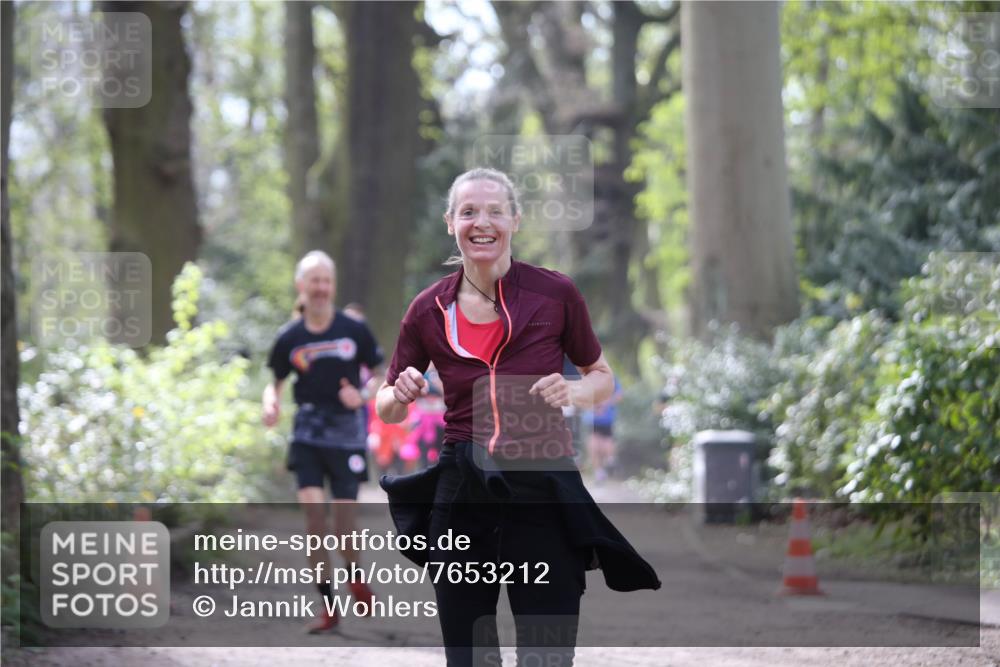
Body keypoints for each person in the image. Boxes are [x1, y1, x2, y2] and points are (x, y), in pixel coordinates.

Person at [375, 168, 660, 665]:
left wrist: (573, 389)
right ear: (450, 223)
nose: (481, 222)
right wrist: (400, 394)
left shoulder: (555, 294)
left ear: (515, 220)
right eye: (468, 212)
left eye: (494, 211)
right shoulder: (428, 309)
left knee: (547, 657)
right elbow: (387, 405)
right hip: (463, 491)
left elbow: (602, 377)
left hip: (542, 487)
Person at [262, 251, 384, 633]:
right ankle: (329, 607)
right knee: (315, 522)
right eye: (313, 280)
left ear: (332, 285)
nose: (320, 288)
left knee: (343, 527)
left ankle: (354, 576)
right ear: (302, 285)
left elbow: (382, 374)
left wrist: (363, 396)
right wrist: (271, 402)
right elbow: (275, 381)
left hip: (346, 435)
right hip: (308, 434)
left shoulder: (353, 329)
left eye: (325, 280)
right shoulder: (290, 337)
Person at [586, 378, 622, 482]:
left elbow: (619, 395)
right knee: (593, 445)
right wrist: (593, 406)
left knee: (606, 443)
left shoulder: (611, 378)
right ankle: (600, 471)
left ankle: (609, 461)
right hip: (593, 419)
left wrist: (606, 404)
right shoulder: (588, 377)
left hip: (606, 419)